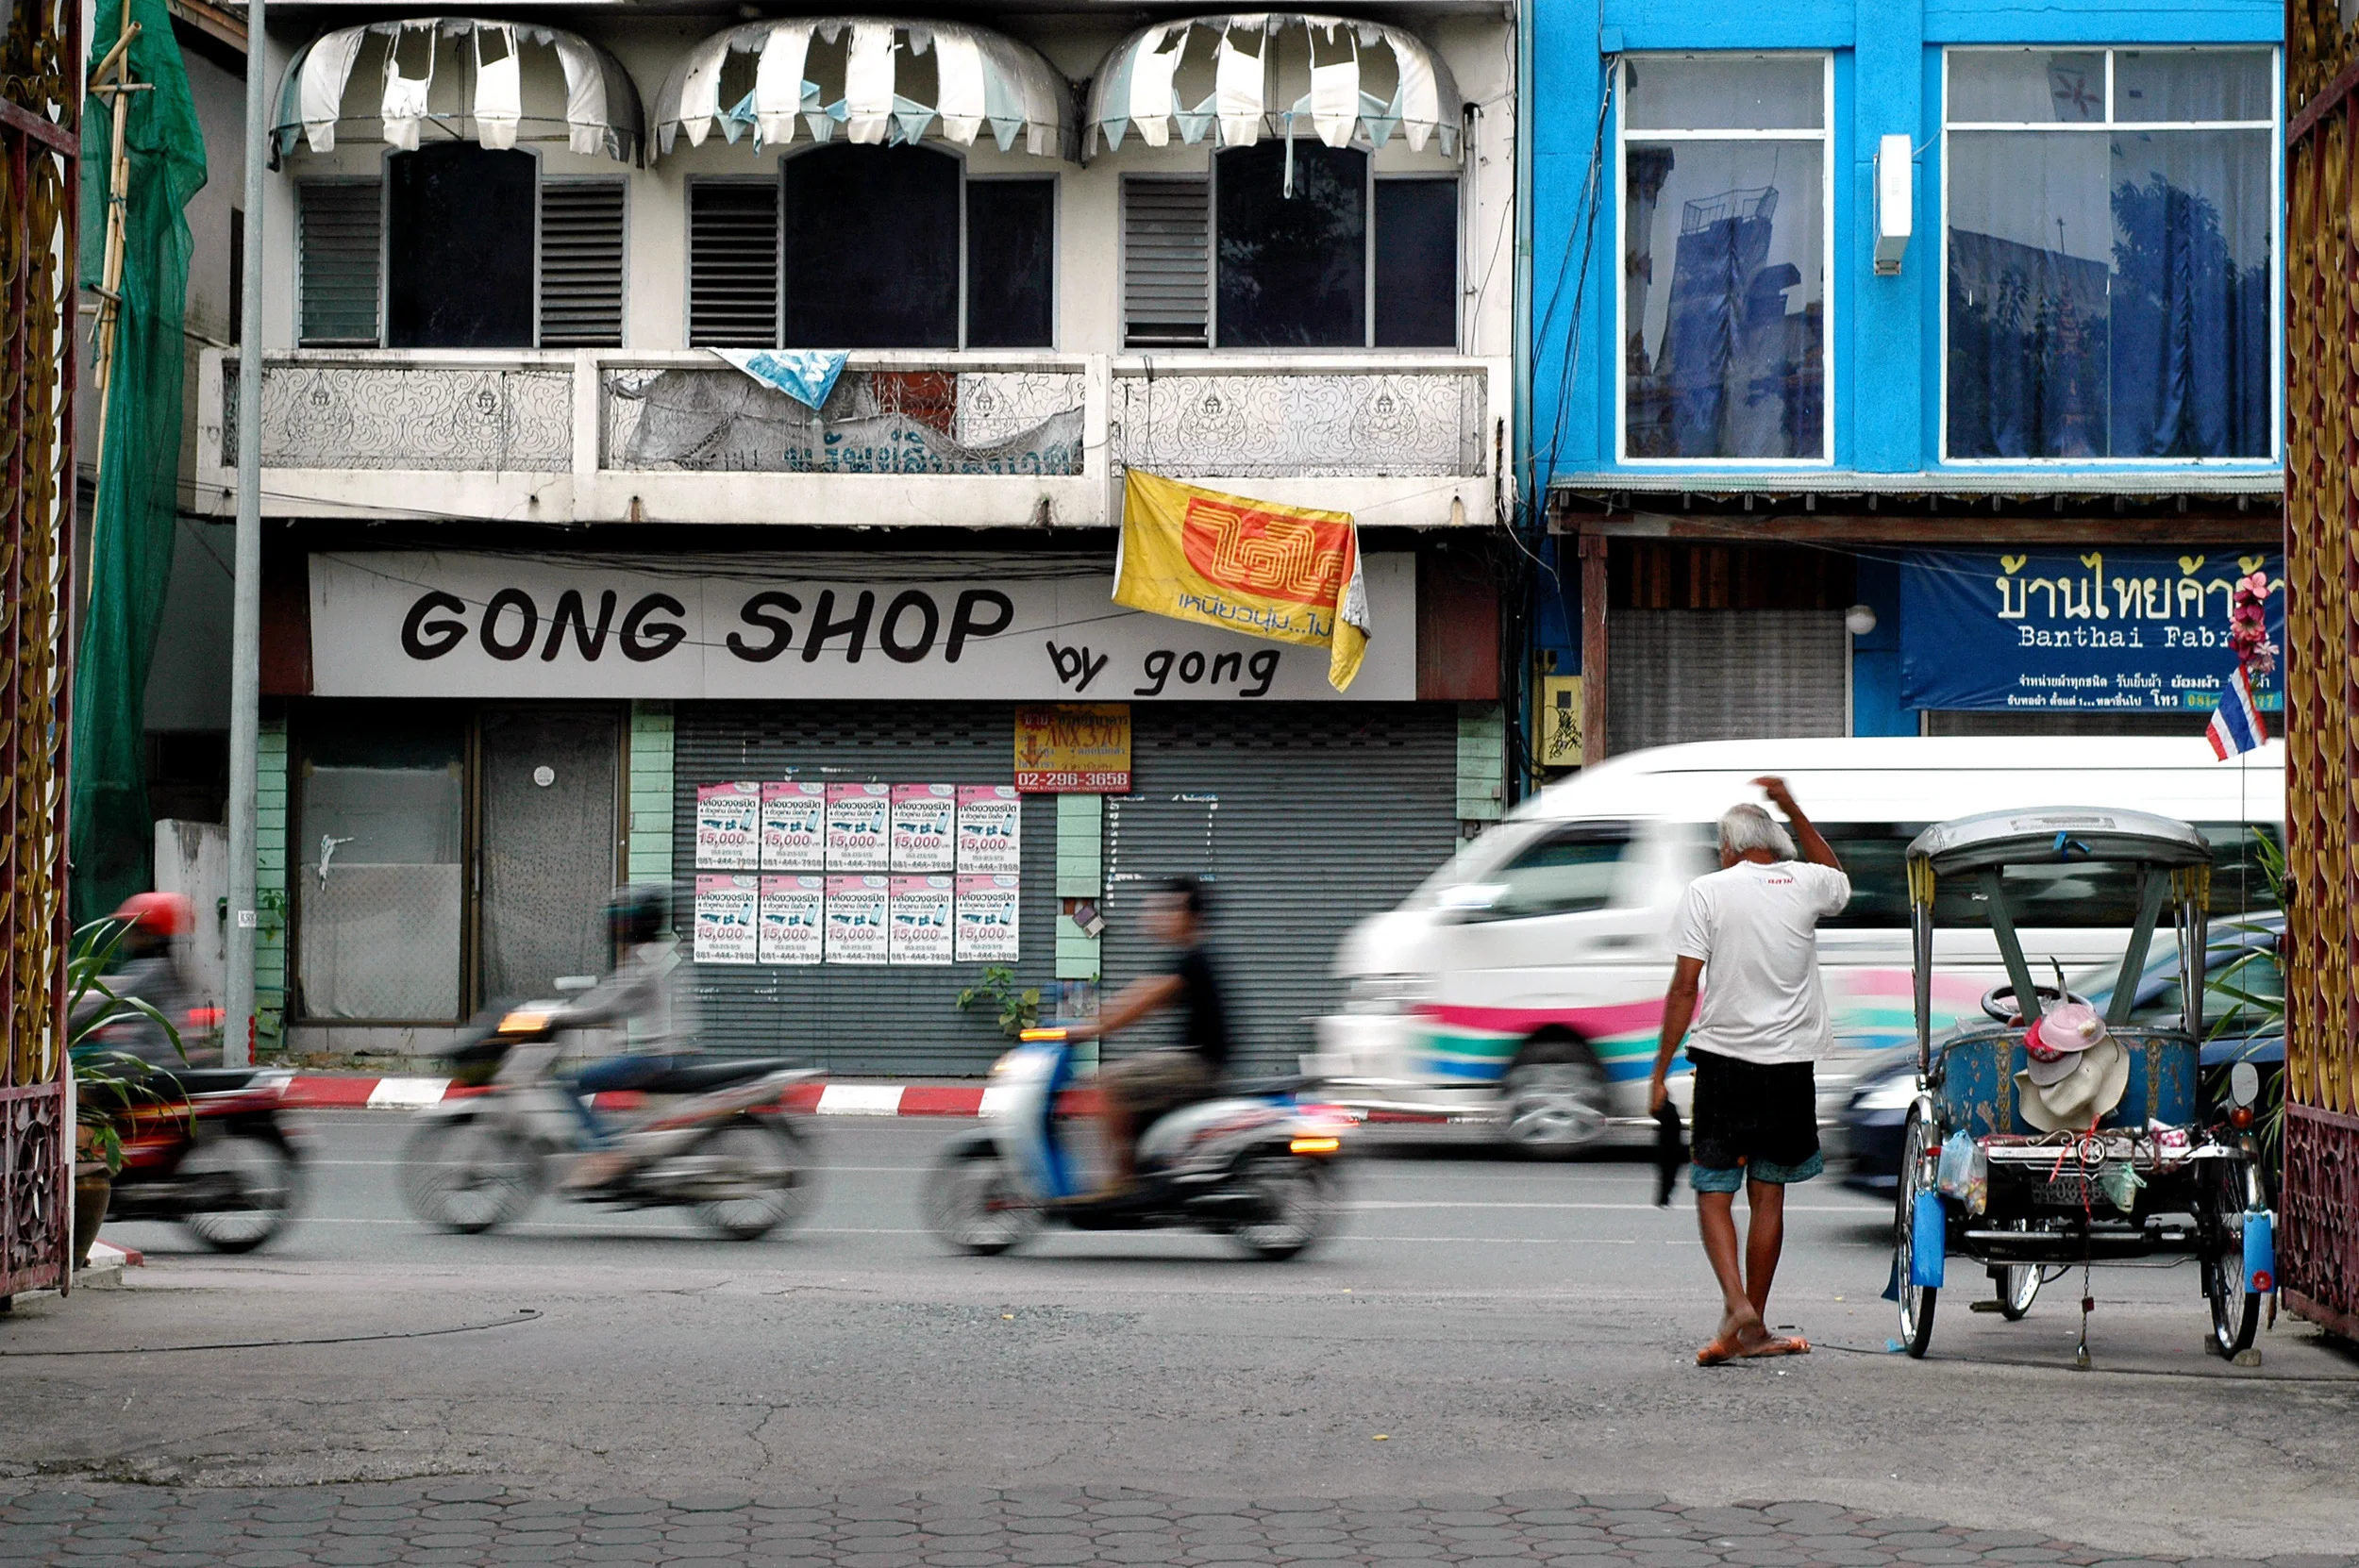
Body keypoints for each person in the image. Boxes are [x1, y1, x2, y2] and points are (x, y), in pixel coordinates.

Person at [1647, 777, 1849, 1365]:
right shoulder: (1807, 882)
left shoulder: (1707, 891)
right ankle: (1748, 1328)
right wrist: (1792, 807)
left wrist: (1658, 1070)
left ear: (1730, 845)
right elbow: (1837, 876)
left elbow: (1685, 988)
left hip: (1724, 1067)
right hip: (1788, 1069)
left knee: (1714, 1192)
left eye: (1719, 845)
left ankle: (1739, 1310)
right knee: (1769, 1197)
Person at [1064, 876, 1231, 1197]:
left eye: (1166, 909)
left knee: (1110, 1082)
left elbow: (1141, 1003)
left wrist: (1091, 1029)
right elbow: (1138, 996)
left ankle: (1124, 1179)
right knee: (1128, 1075)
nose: (1155, 916)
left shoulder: (1192, 959)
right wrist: (1094, 1020)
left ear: (1186, 913)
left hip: (1199, 1066)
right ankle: (1148, 1165)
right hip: (1195, 1060)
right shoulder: (1188, 957)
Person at [555, 883, 698, 1190]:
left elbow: (606, 1003)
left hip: (649, 1059)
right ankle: (623, 1149)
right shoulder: (662, 953)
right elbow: (612, 996)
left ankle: (606, 1151)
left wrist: (557, 1017)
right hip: (664, 1054)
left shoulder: (643, 962)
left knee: (569, 1084)